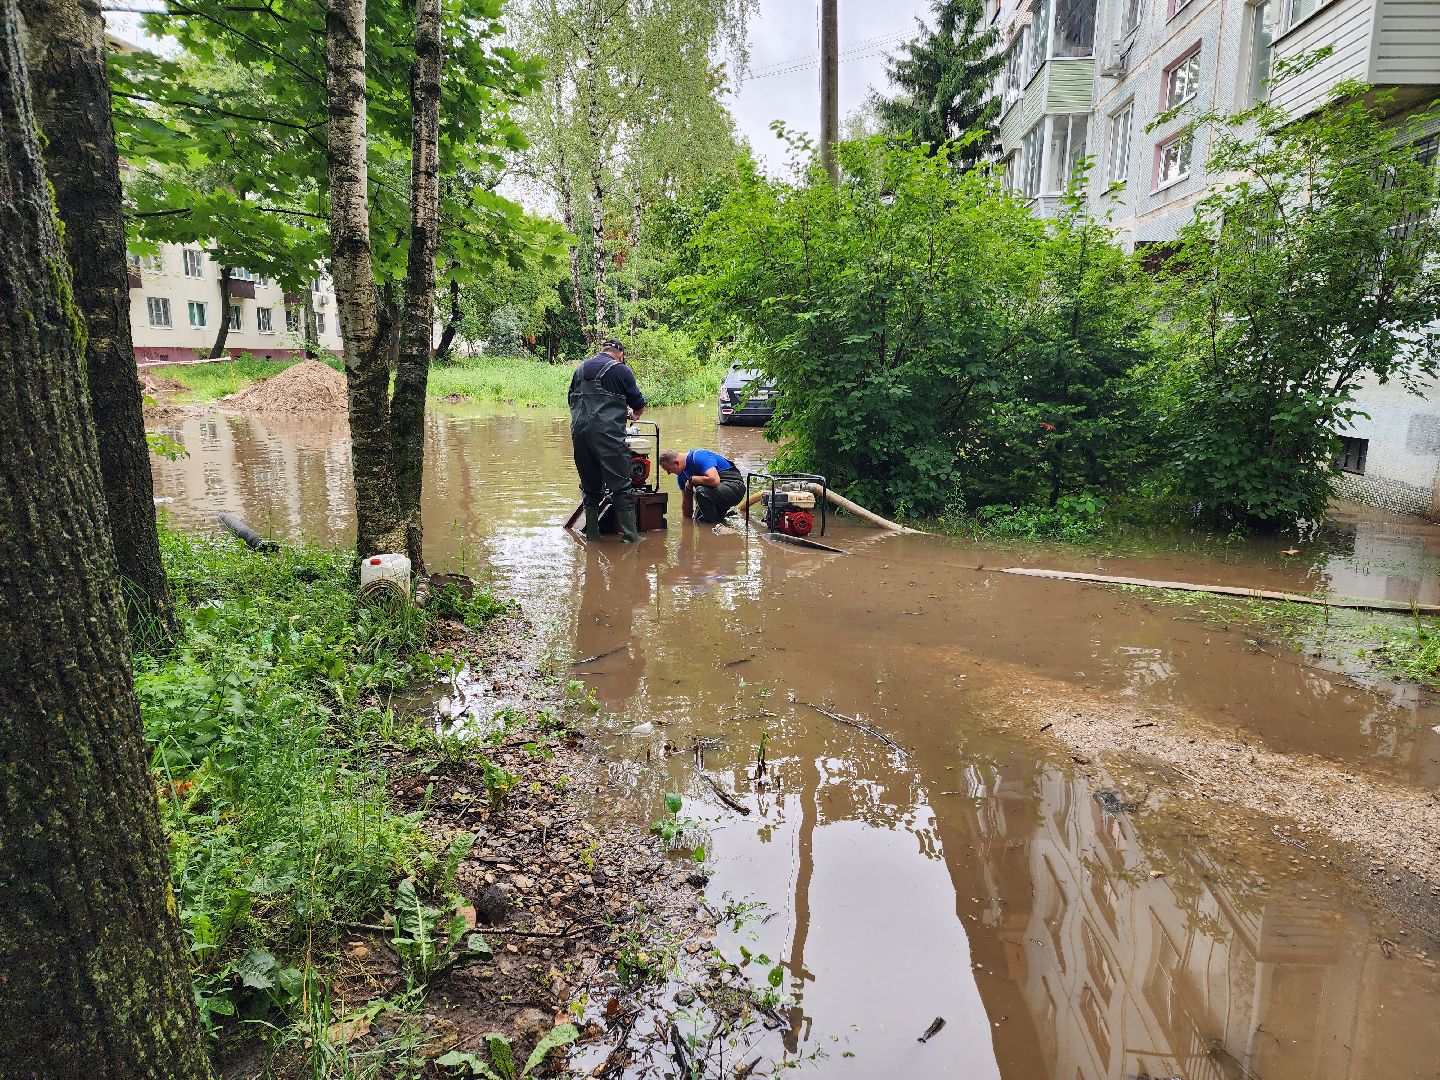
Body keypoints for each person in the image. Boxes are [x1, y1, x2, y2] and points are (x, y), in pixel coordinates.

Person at [569, 337, 645, 542]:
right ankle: (630, 536)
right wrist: (633, 414)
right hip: (607, 436)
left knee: (589, 484)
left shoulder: (580, 369)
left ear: (603, 350)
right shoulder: (621, 370)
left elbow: (571, 400)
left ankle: (593, 534)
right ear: (620, 355)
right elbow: (638, 403)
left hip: (579, 434)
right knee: (621, 485)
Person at [659, 448, 746, 523]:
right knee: (698, 520)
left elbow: (715, 480)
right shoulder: (681, 476)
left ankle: (717, 527)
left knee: (701, 491)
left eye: (668, 470)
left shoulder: (698, 456)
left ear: (676, 463)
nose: (669, 473)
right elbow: (686, 502)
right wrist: (686, 525)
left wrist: (692, 479)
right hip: (714, 494)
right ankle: (722, 521)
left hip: (735, 487)